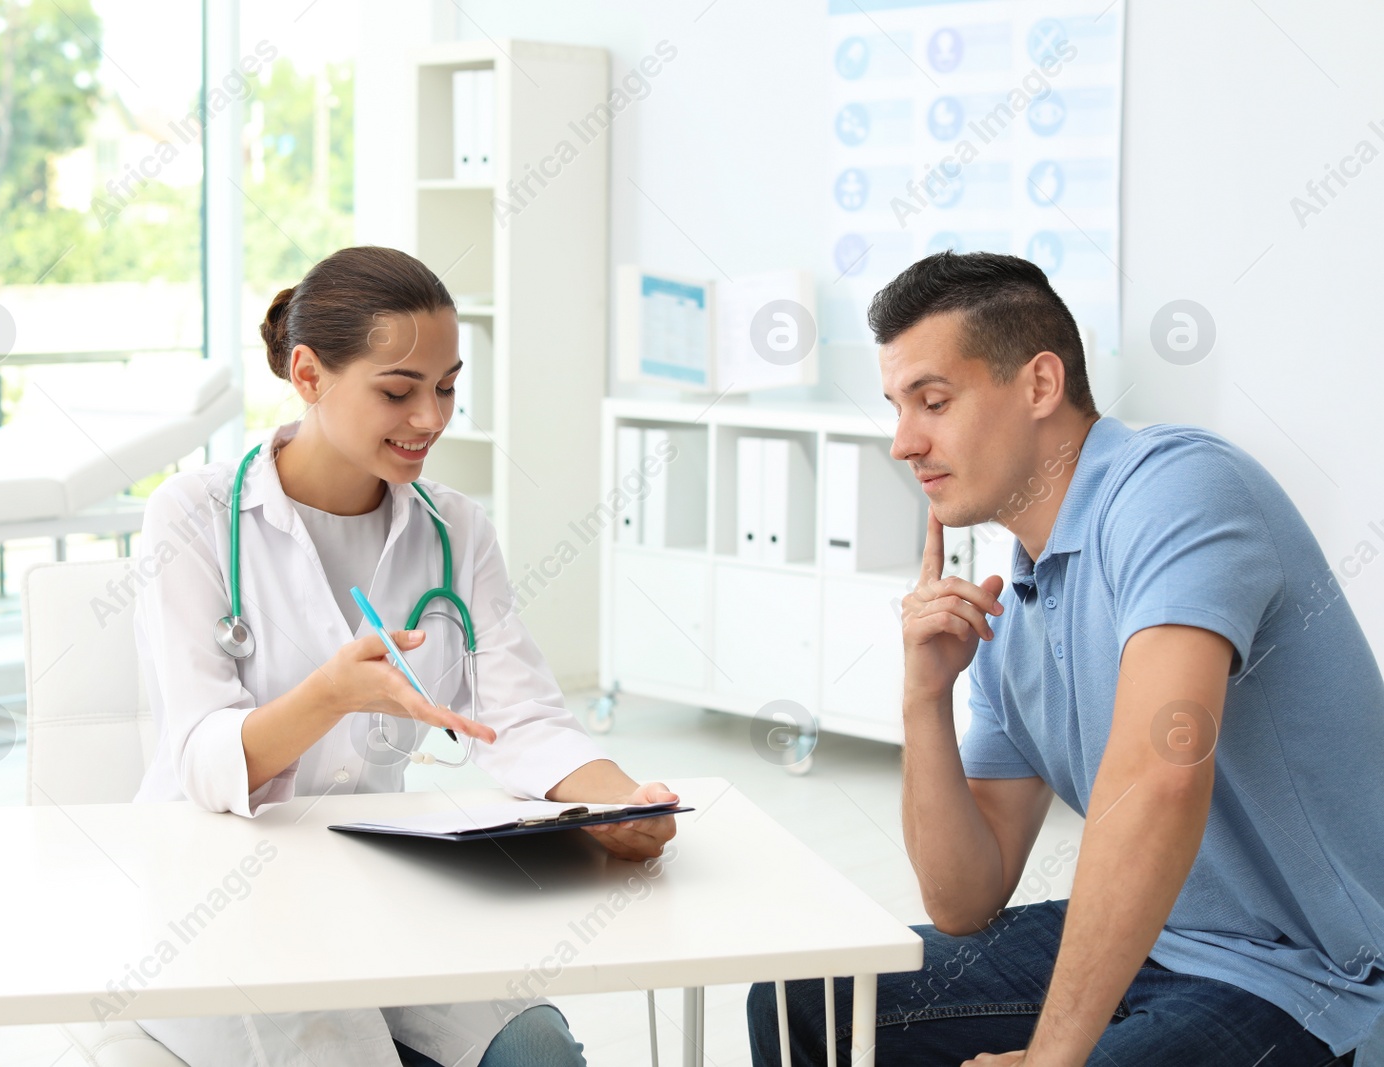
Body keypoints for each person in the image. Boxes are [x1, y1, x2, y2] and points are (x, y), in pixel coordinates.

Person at [749, 251, 1381, 1066]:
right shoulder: (1014, 606)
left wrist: (1053, 1060)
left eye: (933, 401)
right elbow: (962, 899)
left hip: (1307, 971)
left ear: (1041, 385)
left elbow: (1162, 773)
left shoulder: (1178, 489)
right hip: (1162, 935)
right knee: (813, 1002)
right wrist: (923, 697)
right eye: (897, 407)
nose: (904, 442)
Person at [130, 245, 677, 1067]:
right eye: (398, 391)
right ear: (309, 375)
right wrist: (330, 696)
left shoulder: (455, 529)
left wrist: (623, 806)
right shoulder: (194, 516)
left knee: (539, 1051)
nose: (431, 418)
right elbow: (204, 758)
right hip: (219, 898)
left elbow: (523, 717)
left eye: (448, 386)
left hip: (373, 879)